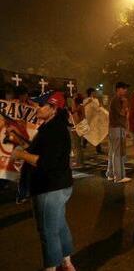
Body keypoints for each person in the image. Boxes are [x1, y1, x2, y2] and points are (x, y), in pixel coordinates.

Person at [8, 92, 76, 271]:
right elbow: (38, 148)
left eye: (40, 105)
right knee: (59, 225)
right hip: (59, 185)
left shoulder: (54, 129)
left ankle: (51, 267)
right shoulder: (52, 126)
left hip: (49, 187)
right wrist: (17, 136)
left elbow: (45, 161)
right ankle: (67, 263)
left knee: (48, 231)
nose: (36, 107)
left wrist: (20, 154)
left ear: (53, 109)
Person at [107, 82, 131, 183]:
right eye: (124, 88)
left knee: (113, 152)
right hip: (117, 128)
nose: (126, 90)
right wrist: (125, 104)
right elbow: (121, 113)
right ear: (118, 89)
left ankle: (111, 174)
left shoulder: (116, 99)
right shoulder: (116, 100)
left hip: (114, 128)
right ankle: (119, 177)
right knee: (118, 153)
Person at [82, 88, 104, 155]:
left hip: (95, 119)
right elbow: (83, 107)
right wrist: (88, 102)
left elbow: (98, 108)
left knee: (96, 134)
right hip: (88, 119)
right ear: (90, 93)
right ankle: (84, 144)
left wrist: (100, 107)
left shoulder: (96, 100)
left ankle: (98, 149)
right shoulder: (85, 100)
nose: (94, 93)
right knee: (87, 133)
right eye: (93, 92)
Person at [70, 94, 86, 166]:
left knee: (76, 146)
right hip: (79, 127)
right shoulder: (82, 106)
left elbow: (73, 110)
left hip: (77, 128)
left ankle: (79, 162)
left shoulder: (79, 107)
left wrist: (73, 100)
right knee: (78, 145)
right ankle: (80, 161)